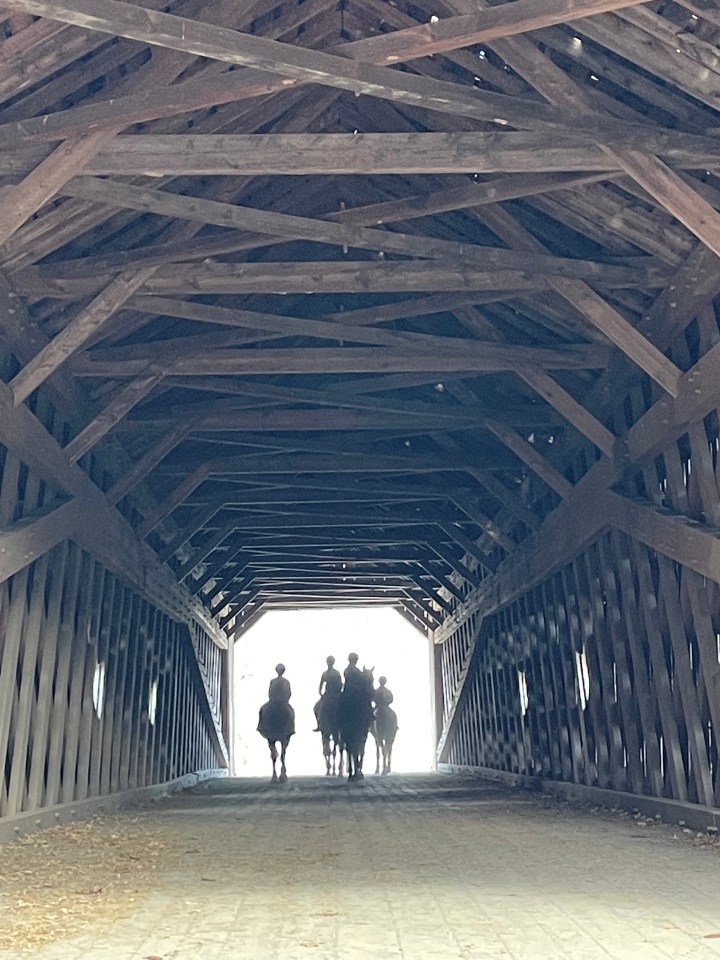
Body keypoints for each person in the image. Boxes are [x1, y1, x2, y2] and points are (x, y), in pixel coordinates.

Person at [313, 655, 342, 731]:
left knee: (318, 708)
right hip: (331, 695)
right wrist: (321, 692)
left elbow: (321, 685)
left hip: (332, 695)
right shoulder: (332, 673)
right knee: (316, 708)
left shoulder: (329, 673)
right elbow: (321, 684)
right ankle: (319, 724)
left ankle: (320, 724)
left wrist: (321, 692)